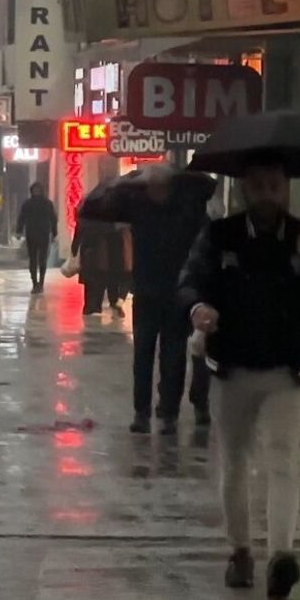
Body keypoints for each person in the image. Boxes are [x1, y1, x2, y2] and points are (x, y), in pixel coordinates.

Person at [176, 156, 300, 600]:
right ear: (245, 190)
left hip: (288, 372)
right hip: (232, 369)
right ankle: (240, 551)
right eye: (258, 186)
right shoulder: (221, 235)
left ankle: (282, 556)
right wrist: (199, 308)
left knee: (283, 459)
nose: (267, 193)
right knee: (235, 460)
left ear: (285, 188)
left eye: (275, 185)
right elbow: (191, 279)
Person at [79, 166, 214, 435]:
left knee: (173, 356)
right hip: (147, 290)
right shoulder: (137, 204)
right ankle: (143, 412)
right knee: (144, 354)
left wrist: (178, 176)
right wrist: (120, 182)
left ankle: (168, 413)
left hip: (177, 292)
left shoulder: (186, 207)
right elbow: (90, 208)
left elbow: (208, 186)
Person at [71, 218, 123, 316]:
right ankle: (97, 305)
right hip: (103, 251)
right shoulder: (107, 218)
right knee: (101, 278)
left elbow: (78, 234)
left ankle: (89, 306)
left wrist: (74, 248)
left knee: (89, 281)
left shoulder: (85, 218)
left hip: (88, 252)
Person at [16, 183, 57, 292]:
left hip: (43, 233)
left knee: (42, 260)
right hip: (31, 234)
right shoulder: (28, 204)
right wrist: (19, 231)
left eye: (38, 190)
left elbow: (53, 219)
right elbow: (22, 217)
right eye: (35, 190)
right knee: (33, 260)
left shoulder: (47, 204)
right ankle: (35, 283)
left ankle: (41, 282)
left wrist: (54, 233)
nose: (36, 192)